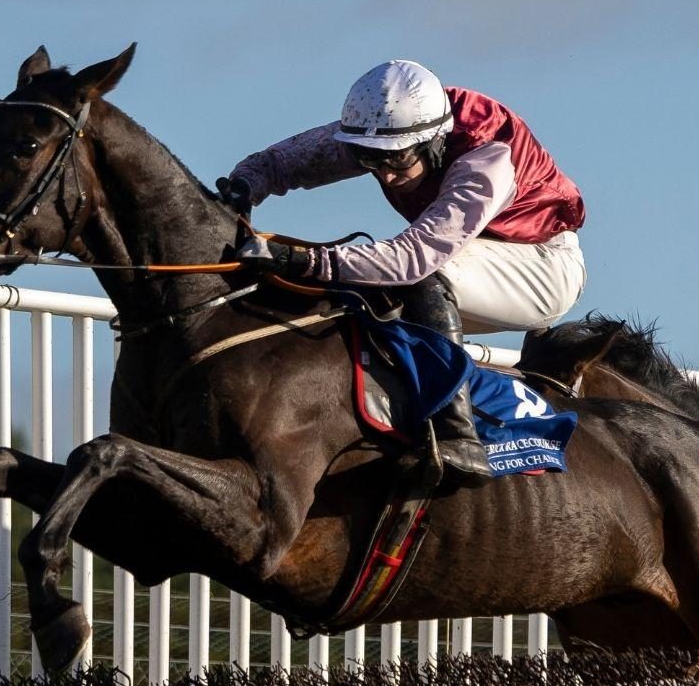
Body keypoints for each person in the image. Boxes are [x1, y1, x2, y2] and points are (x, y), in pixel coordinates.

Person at [219, 59, 587, 484]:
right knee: (359, 293)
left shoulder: (485, 157)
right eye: (371, 162)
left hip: (542, 266)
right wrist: (242, 186)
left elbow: (414, 259)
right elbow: (284, 162)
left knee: (412, 279)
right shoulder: (386, 128)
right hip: (472, 255)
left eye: (397, 162)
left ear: (433, 142)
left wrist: (307, 261)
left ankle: (457, 434)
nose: (387, 175)